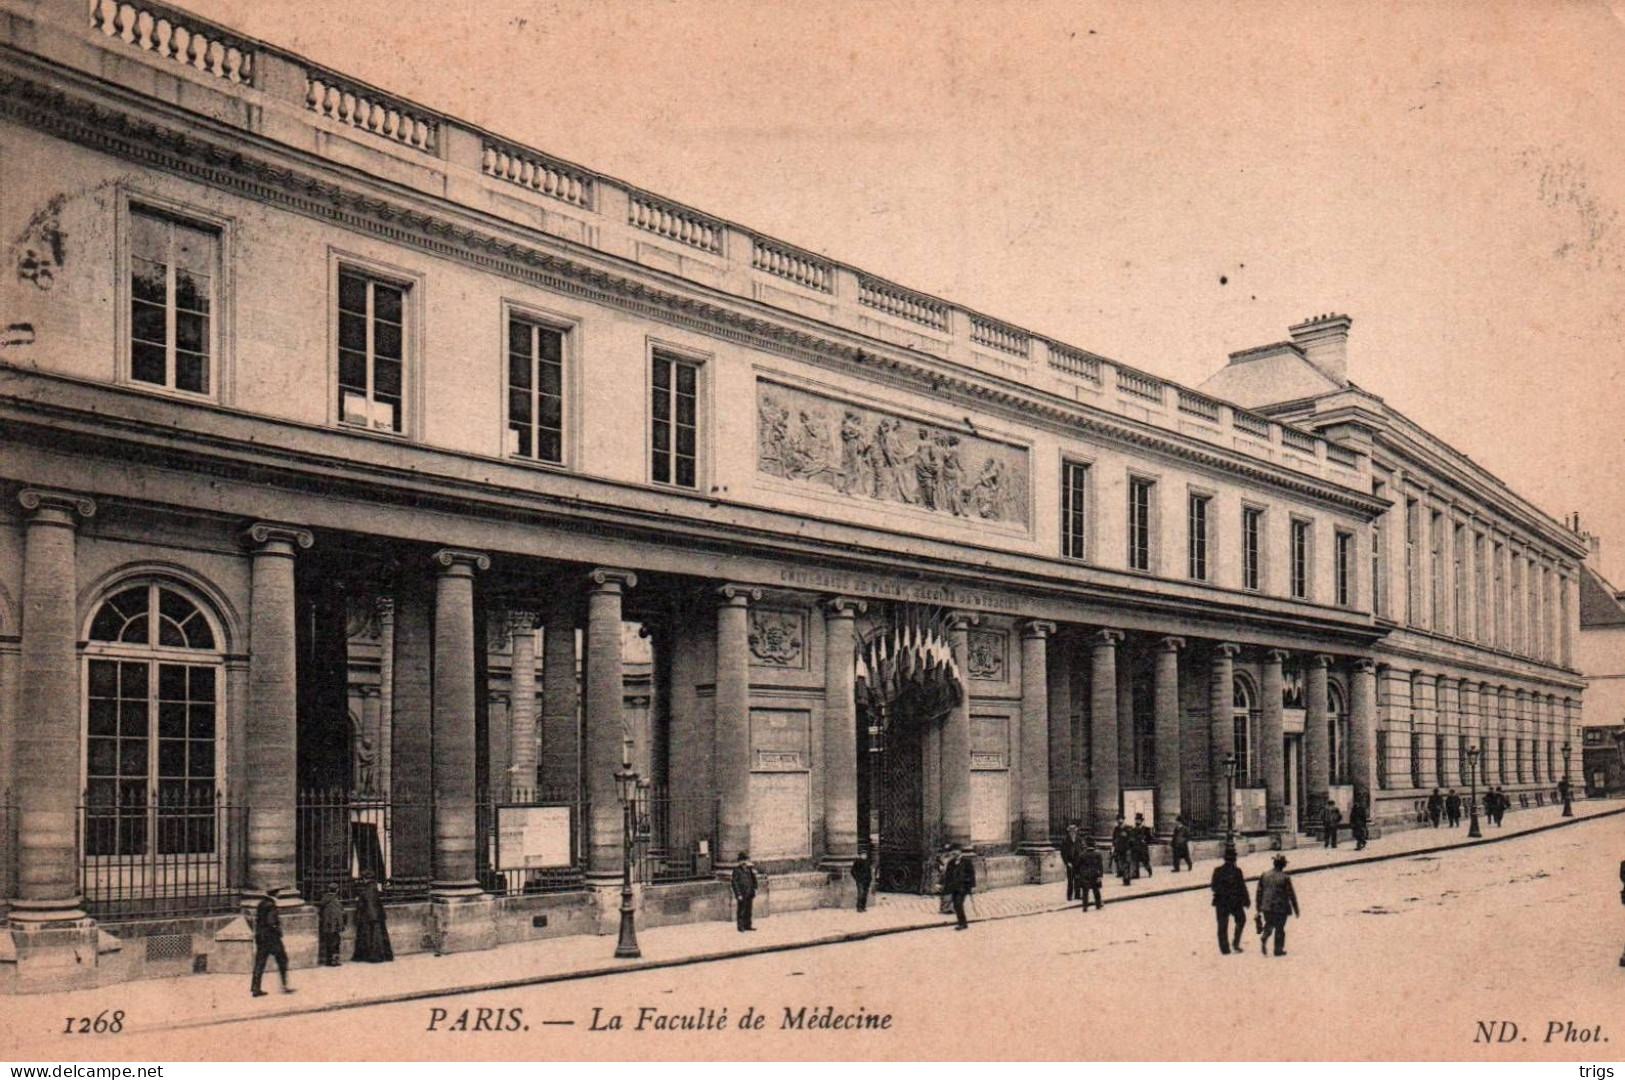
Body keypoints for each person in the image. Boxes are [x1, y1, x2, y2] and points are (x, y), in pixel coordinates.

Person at [250, 888, 294, 997]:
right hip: (272, 938)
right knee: (283, 959)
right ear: (276, 894)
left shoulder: (261, 904)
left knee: (260, 963)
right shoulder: (271, 905)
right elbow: (271, 922)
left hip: (261, 937)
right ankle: (284, 986)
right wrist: (278, 931)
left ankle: (255, 988)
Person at [1255, 854, 1300, 957]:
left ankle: (1265, 936)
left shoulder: (1264, 874)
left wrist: (1258, 907)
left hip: (1266, 906)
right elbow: (1291, 894)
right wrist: (1296, 909)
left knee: (1269, 923)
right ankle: (1278, 950)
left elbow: (1259, 892)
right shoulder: (1285, 877)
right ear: (1283, 865)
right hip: (1280, 907)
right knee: (1280, 928)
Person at [1209, 846, 1250, 955]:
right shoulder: (1237, 871)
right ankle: (1235, 943)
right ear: (1234, 859)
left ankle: (1224, 949)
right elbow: (1242, 887)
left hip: (1221, 902)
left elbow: (1213, 886)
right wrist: (1246, 901)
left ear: (1224, 859)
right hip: (1234, 902)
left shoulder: (1217, 870)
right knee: (1241, 920)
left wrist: (1222, 892)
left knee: (1222, 925)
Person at [352, 876, 393, 962]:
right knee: (378, 936)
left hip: (368, 916)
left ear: (365, 879)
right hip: (378, 916)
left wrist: (357, 916)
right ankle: (382, 955)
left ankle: (373, 956)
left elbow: (362, 905)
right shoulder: (375, 889)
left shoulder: (364, 891)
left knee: (369, 937)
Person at [942, 844, 976, 930]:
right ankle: (962, 923)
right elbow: (947, 876)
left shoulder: (966, 862)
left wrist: (972, 886)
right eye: (952, 851)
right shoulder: (951, 863)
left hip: (963, 887)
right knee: (956, 906)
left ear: (959, 851)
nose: (953, 853)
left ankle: (962, 923)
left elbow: (972, 874)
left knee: (958, 903)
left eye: (955, 851)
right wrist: (944, 886)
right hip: (954, 887)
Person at [318, 884, 345, 967]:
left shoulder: (324, 900)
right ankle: (334, 960)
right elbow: (339, 915)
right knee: (335, 943)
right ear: (337, 890)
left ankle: (329, 960)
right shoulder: (336, 901)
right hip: (334, 926)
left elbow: (321, 912)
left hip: (326, 925)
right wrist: (341, 926)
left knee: (328, 942)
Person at [731, 851, 758, 932]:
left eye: (745, 860)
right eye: (742, 860)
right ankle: (741, 927)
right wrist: (738, 894)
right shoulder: (736, 870)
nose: (744, 862)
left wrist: (755, 888)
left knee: (749, 910)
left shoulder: (749, 869)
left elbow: (754, 879)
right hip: (742, 894)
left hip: (749, 892)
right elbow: (734, 883)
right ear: (739, 861)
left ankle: (748, 925)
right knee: (741, 910)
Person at [1077, 838, 1104, 912]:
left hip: (1085, 875)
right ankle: (1098, 905)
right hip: (1095, 874)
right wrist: (1100, 876)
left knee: (1085, 892)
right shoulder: (1098, 854)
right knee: (1096, 891)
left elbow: (1078, 865)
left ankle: (1085, 907)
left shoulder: (1082, 854)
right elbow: (1100, 866)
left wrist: (1079, 874)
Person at [1060, 822, 1083, 899]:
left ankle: (1077, 895)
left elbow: (1082, 849)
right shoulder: (1065, 840)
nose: (1072, 833)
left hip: (1078, 862)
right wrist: (1067, 862)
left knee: (1078, 879)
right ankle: (1069, 896)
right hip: (1070, 862)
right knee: (1070, 880)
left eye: (1074, 831)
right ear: (1069, 832)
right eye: (1071, 831)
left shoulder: (1079, 839)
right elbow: (1063, 853)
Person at [1110, 816, 1133, 885]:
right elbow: (1114, 839)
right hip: (1119, 849)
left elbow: (1131, 839)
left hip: (1126, 849)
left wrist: (1130, 848)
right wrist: (1113, 847)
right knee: (1120, 864)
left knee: (1126, 864)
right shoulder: (1116, 829)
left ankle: (1126, 880)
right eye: (1119, 820)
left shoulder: (1128, 828)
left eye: (1121, 819)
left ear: (1123, 820)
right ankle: (1124, 876)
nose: (1120, 821)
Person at [1131, 813, 1154, 879]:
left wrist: (1145, 841)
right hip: (1135, 848)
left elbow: (1150, 839)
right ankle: (1136, 874)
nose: (1137, 821)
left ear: (1141, 821)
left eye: (1138, 820)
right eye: (1136, 820)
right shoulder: (1133, 829)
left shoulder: (1146, 829)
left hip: (1143, 848)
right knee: (1135, 862)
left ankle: (1149, 871)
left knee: (1145, 861)